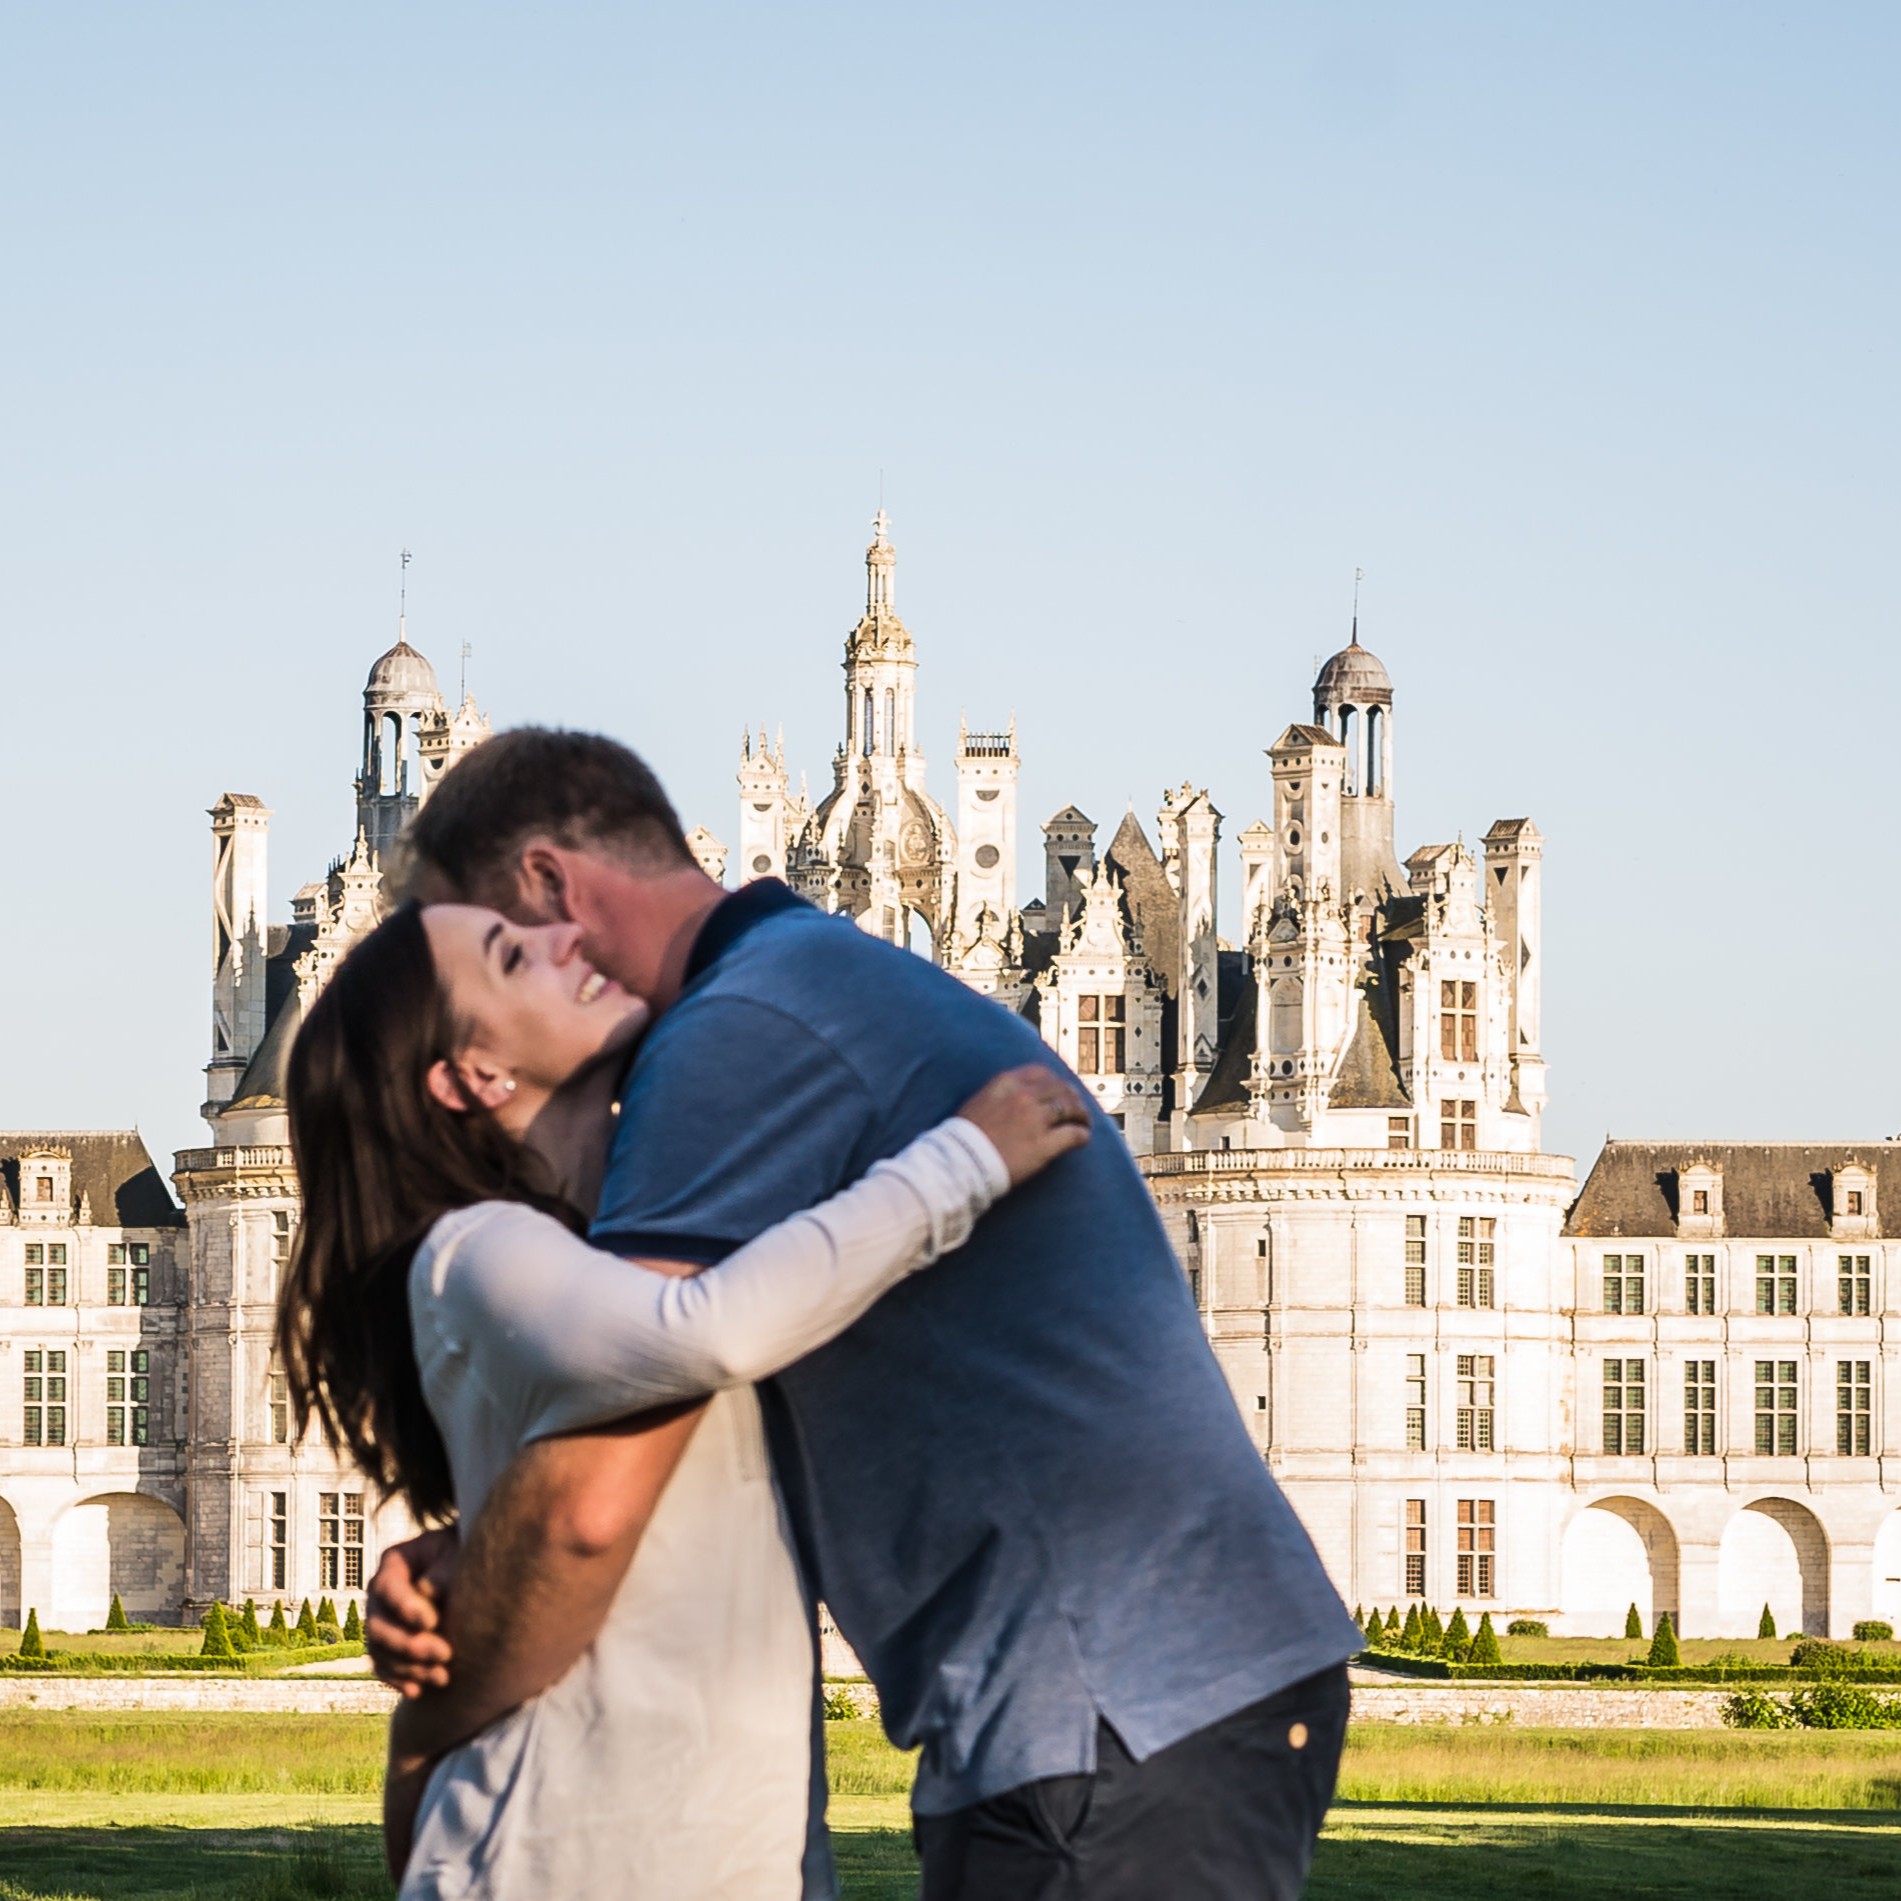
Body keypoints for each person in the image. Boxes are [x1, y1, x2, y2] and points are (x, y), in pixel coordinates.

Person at [369, 728, 1363, 1901]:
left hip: (1101, 1705)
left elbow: (600, 1485)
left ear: (549, 886)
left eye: (477, 956)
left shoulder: (730, 1037)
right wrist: (475, 1541)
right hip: (1147, 1690)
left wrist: (439, 1693)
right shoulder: (809, 980)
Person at [276, 897, 1091, 1898]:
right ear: (473, 1073)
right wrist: (962, 1159)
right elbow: (710, 1328)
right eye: (514, 954)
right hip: (554, 1861)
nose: (568, 937)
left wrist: (461, 1545)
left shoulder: (606, 1240)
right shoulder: (471, 1245)